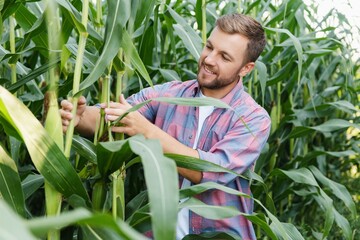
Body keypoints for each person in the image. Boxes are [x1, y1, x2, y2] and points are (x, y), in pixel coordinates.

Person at [61, 13, 270, 239]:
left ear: (246, 68)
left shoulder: (253, 118)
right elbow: (115, 118)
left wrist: (147, 132)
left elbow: (213, 170)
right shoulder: (168, 94)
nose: (209, 59)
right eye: (209, 47)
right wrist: (79, 116)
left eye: (224, 57)